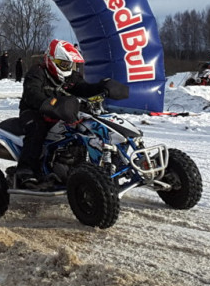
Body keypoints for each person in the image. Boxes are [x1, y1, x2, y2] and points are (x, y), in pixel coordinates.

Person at [14, 39, 129, 189]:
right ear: (51, 60)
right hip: (34, 111)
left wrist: (101, 88)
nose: (67, 68)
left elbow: (83, 88)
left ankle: (102, 164)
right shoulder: (37, 73)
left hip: (60, 110)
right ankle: (26, 170)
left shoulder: (71, 76)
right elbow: (32, 93)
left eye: (70, 64)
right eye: (63, 64)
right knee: (37, 128)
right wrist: (48, 103)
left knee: (86, 126)